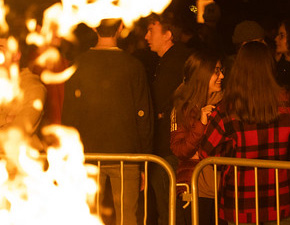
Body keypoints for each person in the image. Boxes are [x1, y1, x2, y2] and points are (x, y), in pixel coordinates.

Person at [200, 41, 290, 225]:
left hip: (240, 199)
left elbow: (207, 151)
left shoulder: (227, 108)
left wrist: (229, 156)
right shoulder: (289, 99)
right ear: (269, 66)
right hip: (282, 196)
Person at [62, 19, 153, 225]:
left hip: (87, 155)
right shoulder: (134, 66)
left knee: (86, 216)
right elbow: (144, 115)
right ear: (121, 28)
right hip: (126, 155)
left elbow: (69, 113)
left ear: (94, 28)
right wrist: (144, 160)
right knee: (127, 217)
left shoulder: (79, 64)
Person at [144, 12, 192, 225]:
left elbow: (156, 101)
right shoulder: (172, 60)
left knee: (169, 211)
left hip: (167, 148)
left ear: (168, 35)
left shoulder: (174, 63)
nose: (146, 37)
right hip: (174, 146)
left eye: (151, 31)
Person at [170, 51, 224, 225]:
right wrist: (200, 124)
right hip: (195, 188)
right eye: (216, 71)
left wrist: (200, 154)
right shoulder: (183, 109)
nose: (222, 76)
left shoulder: (226, 105)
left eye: (221, 70)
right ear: (202, 75)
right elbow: (179, 150)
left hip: (224, 188)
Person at [0, 37, 47, 150]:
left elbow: (14, 135)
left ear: (16, 55)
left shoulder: (33, 88)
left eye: (1, 49)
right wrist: (5, 120)